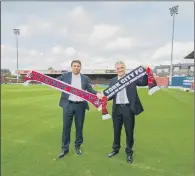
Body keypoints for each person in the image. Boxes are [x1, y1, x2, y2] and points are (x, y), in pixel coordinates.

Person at [57, 60, 103, 158]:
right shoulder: (65, 76)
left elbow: (90, 90)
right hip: (68, 105)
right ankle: (65, 149)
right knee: (66, 128)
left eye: (78, 66)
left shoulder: (85, 78)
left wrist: (97, 93)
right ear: (71, 67)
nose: (76, 67)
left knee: (79, 127)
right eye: (74, 66)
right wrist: (40, 78)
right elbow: (55, 82)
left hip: (80, 106)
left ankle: (78, 146)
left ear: (80, 67)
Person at [107, 61, 148, 163]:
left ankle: (129, 153)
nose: (120, 70)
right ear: (115, 69)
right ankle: (115, 149)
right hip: (116, 109)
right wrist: (102, 97)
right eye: (118, 68)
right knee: (116, 131)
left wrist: (147, 71)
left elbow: (144, 82)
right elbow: (110, 96)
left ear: (125, 68)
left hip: (128, 109)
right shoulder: (112, 81)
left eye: (122, 68)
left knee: (129, 132)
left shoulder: (131, 78)